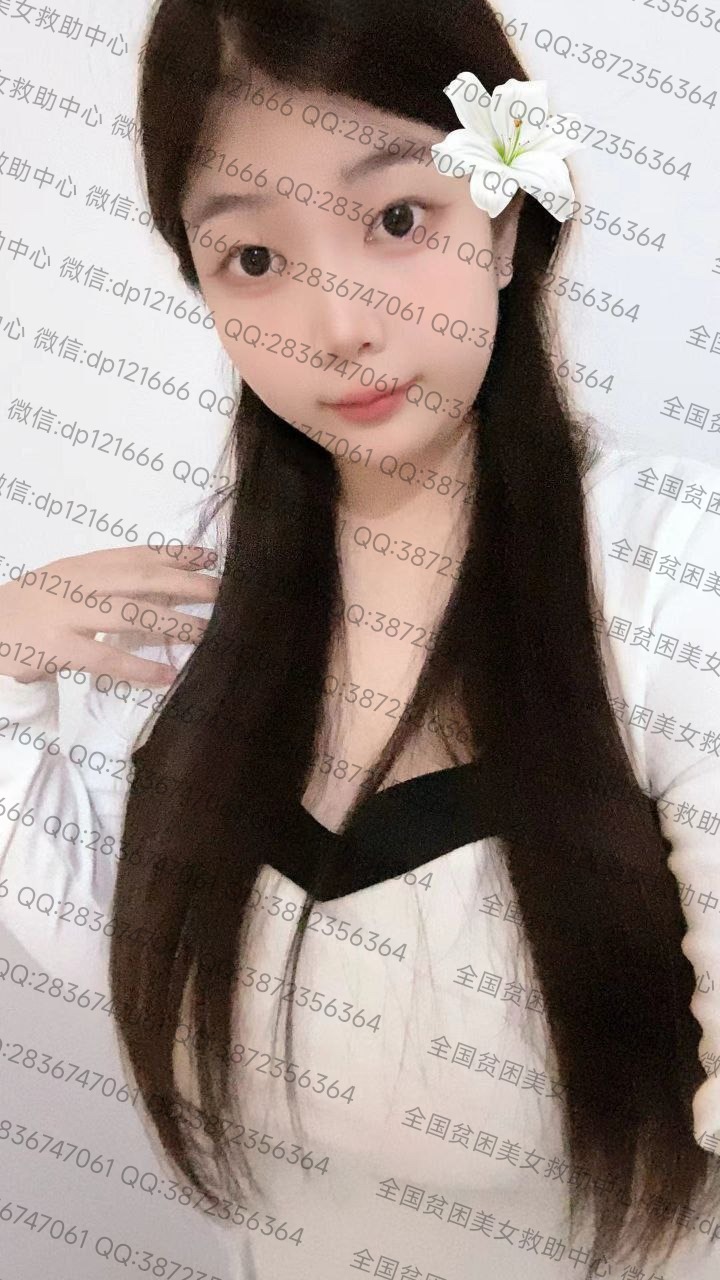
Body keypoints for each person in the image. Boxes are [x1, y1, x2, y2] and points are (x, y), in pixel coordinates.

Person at [1, 1, 719, 1277]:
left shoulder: (668, 569)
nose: (336, 328)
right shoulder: (191, 607)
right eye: (253, 257)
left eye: (396, 220)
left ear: (503, 223)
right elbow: (87, 927)